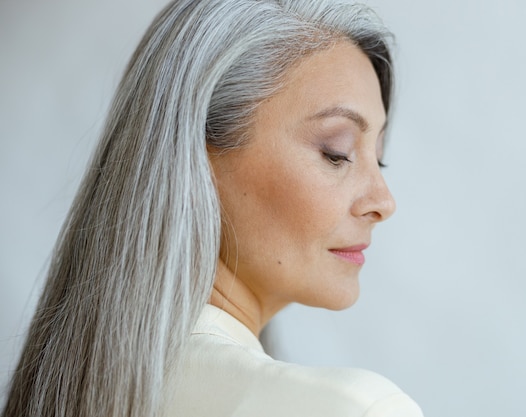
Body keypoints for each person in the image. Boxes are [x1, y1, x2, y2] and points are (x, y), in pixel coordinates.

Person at [2, 1, 423, 416]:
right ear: (198, 157)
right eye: (338, 152)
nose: (383, 202)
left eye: (379, 157)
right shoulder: (353, 407)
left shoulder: (69, 391)